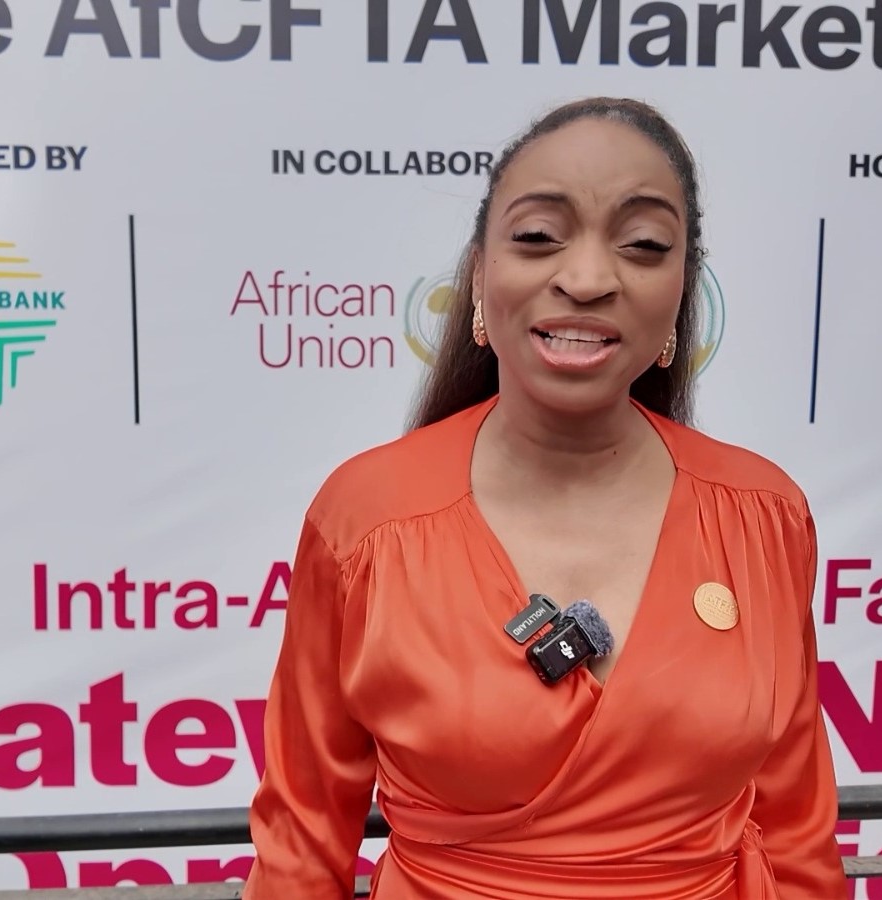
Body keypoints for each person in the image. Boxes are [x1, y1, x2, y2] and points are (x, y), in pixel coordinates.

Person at [243, 96, 848, 900]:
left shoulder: (762, 515)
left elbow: (797, 832)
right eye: (536, 237)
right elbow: (302, 840)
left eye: (642, 245)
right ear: (480, 274)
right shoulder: (366, 520)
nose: (587, 279)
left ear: (679, 291)